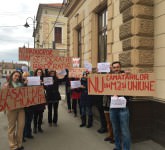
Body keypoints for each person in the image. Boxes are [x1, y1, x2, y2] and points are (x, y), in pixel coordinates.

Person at [109, 61, 131, 150]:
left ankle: (126, 149)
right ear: (112, 68)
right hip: (113, 108)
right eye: (114, 67)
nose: (116, 69)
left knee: (125, 131)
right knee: (115, 129)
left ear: (120, 68)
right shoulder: (109, 78)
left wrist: (130, 75)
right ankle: (118, 147)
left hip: (123, 108)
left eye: (118, 67)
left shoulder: (126, 76)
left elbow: (134, 85)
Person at [3, 71, 25, 150]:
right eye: (16, 75)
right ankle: (13, 146)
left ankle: (19, 144)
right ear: (12, 76)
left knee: (21, 126)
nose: (17, 77)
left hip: (21, 108)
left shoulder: (21, 85)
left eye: (18, 76)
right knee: (12, 127)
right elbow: (3, 97)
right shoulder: (7, 85)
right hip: (11, 109)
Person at [33, 68, 45, 133]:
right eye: (38, 72)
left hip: (41, 98)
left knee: (41, 114)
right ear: (36, 73)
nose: (39, 73)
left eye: (40, 72)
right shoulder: (33, 79)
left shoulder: (43, 79)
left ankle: (39, 127)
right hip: (35, 99)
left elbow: (47, 88)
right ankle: (34, 127)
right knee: (35, 114)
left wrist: (43, 83)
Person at [22, 72, 34, 140]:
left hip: (31, 104)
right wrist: (24, 84)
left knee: (29, 120)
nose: (26, 77)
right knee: (24, 121)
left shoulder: (32, 83)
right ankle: (22, 136)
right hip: (24, 105)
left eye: (27, 76)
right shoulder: (21, 83)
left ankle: (29, 133)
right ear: (22, 77)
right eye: (25, 76)